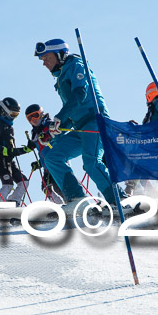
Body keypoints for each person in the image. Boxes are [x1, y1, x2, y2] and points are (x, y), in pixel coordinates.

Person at [34, 38, 125, 208]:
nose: (44, 63)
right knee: (51, 155)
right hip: (80, 127)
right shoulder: (61, 77)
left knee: (91, 162)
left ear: (60, 54)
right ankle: (76, 198)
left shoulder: (77, 64)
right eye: (42, 60)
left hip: (94, 121)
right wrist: (54, 131)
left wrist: (58, 119)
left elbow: (80, 94)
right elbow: (71, 109)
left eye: (47, 58)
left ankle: (119, 200)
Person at [0, 97, 33, 206]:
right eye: (12, 114)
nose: (13, 117)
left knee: (24, 182)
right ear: (4, 111)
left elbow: (11, 151)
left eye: (16, 115)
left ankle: (13, 201)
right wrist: (4, 151)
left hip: (9, 161)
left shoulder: (10, 128)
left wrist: (28, 148)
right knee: (8, 184)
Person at [25, 104, 64, 204]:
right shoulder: (35, 133)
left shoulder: (49, 125)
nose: (33, 119)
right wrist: (39, 163)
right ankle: (61, 205)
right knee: (46, 188)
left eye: (35, 115)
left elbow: (57, 141)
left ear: (42, 114)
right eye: (29, 118)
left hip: (57, 163)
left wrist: (49, 136)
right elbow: (41, 152)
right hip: (47, 167)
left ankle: (70, 205)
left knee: (61, 186)